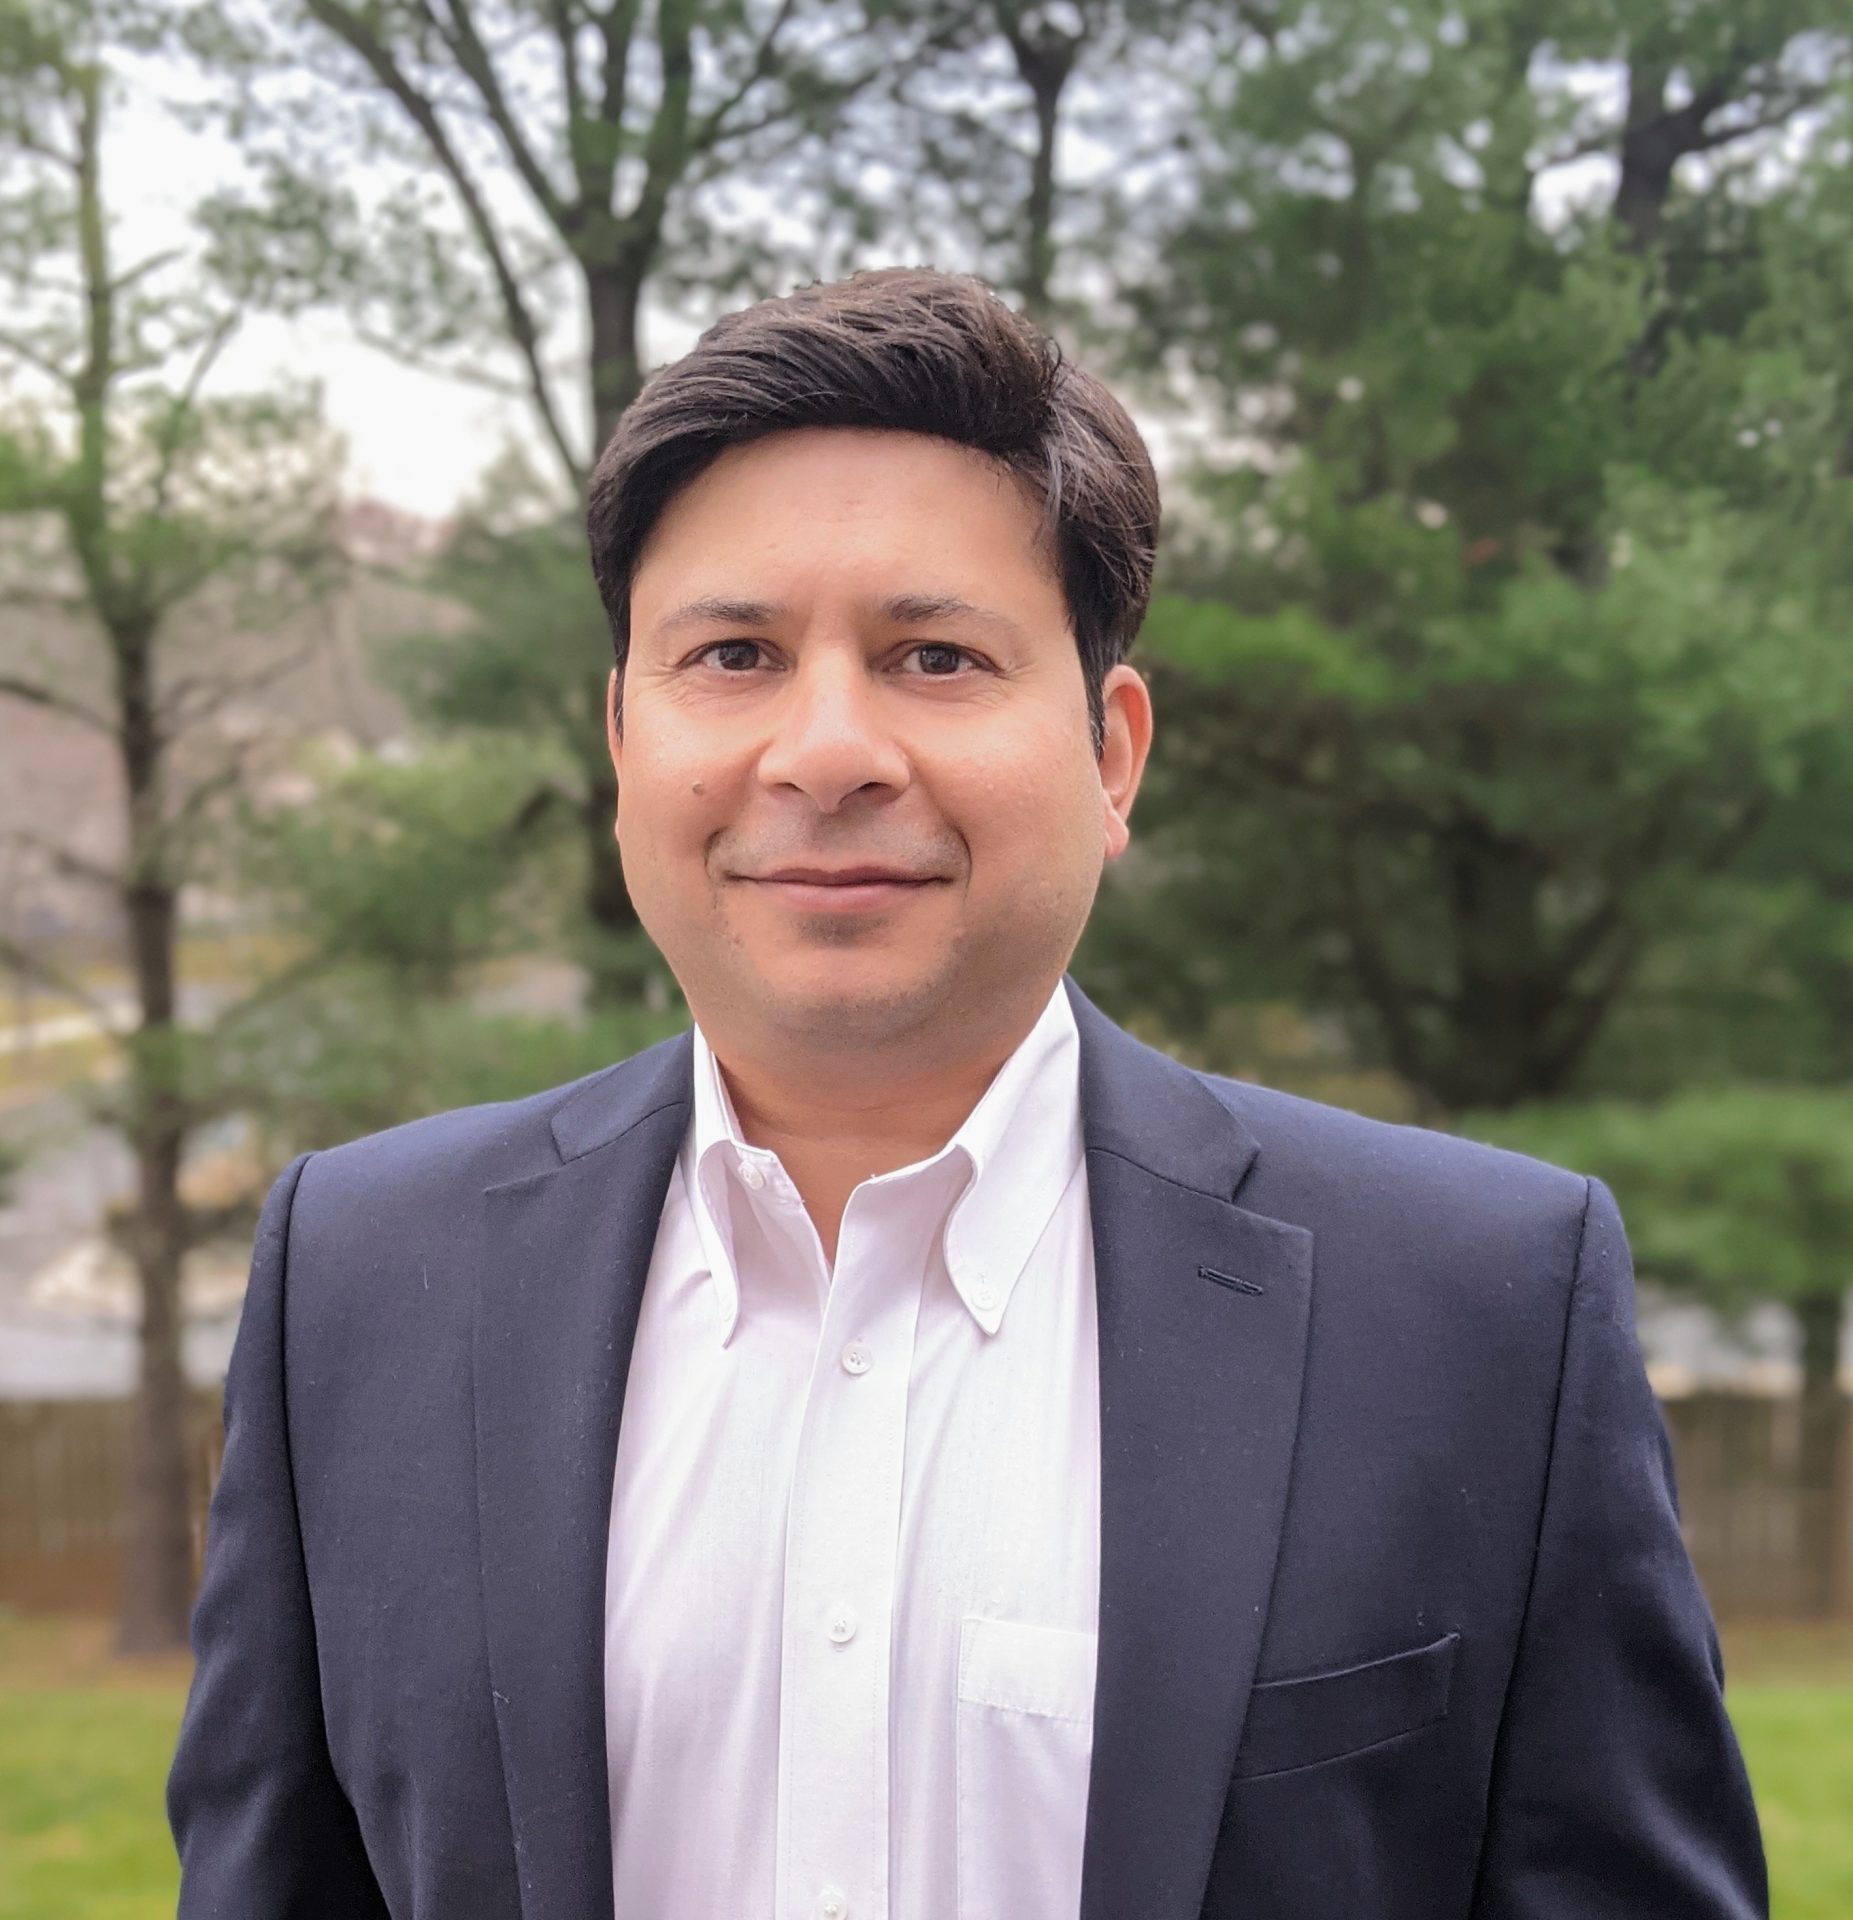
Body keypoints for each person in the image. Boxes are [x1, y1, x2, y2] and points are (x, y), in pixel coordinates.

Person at [166, 266, 1767, 1920]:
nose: (828, 749)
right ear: (624, 738)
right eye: (733, 654)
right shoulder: (360, 1282)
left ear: (1111, 753)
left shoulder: (1475, 1305)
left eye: (933, 657)